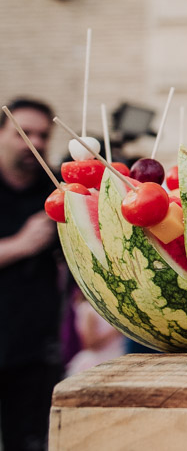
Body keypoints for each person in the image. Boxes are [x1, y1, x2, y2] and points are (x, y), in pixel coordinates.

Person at [0, 98, 64, 451]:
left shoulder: (54, 188)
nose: (35, 143)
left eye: (43, 135)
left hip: (36, 346)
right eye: (23, 133)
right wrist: (20, 245)